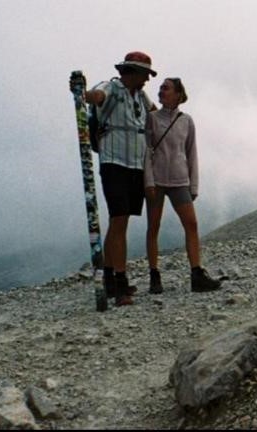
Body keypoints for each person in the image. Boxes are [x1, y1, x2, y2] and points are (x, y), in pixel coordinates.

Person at [83, 51, 157, 306]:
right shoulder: (112, 88)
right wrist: (83, 93)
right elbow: (96, 96)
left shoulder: (140, 96)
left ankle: (109, 278)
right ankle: (120, 282)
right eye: (145, 74)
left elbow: (154, 115)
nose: (147, 80)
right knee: (120, 218)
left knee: (119, 222)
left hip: (135, 164)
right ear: (133, 72)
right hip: (114, 161)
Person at [144, 77, 222, 294]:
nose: (161, 91)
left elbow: (191, 152)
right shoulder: (151, 118)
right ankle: (154, 275)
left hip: (180, 181)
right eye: (160, 88)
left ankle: (197, 272)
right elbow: (146, 152)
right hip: (157, 181)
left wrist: (193, 185)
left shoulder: (186, 120)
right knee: (154, 227)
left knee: (191, 224)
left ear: (178, 94)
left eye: (166, 88)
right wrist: (148, 181)